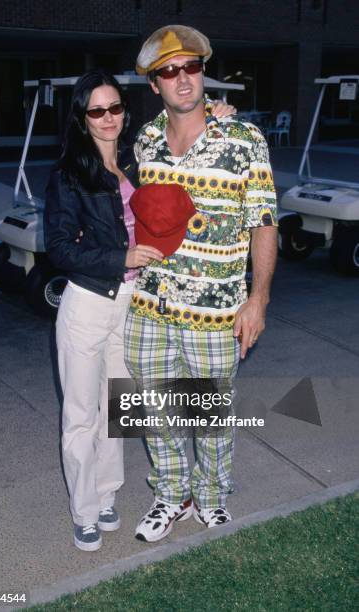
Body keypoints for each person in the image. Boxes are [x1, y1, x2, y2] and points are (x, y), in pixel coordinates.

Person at [124, 25, 278, 542]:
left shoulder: (243, 138)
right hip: (150, 308)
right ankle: (171, 495)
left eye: (191, 66)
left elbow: (264, 222)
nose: (182, 78)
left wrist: (257, 300)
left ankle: (211, 497)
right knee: (154, 412)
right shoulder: (145, 141)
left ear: (204, 71)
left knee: (210, 415)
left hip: (216, 316)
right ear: (154, 84)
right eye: (169, 71)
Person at [44, 68, 164, 551]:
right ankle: (84, 510)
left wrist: (215, 117)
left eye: (115, 107)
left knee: (118, 408)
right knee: (80, 414)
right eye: (97, 110)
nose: (108, 117)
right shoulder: (68, 173)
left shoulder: (136, 163)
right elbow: (58, 248)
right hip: (88, 303)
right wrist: (123, 258)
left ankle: (108, 494)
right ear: (82, 117)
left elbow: (184, 146)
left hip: (130, 304)